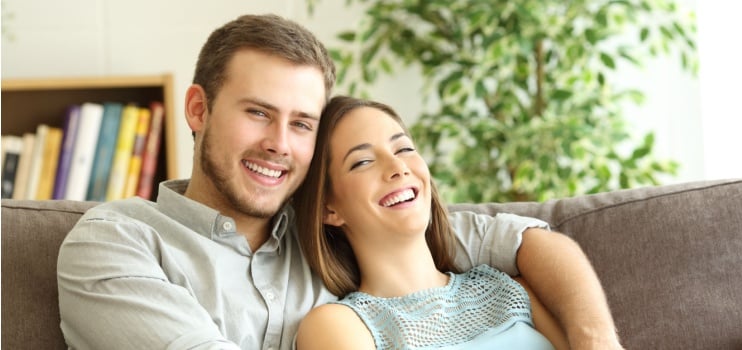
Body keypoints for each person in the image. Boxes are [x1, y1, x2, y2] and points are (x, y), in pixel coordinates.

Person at [56, 13, 622, 350]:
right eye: (258, 112)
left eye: (301, 123)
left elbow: (515, 237)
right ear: (198, 110)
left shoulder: (330, 235)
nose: (280, 142)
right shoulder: (116, 240)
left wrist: (596, 340)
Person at [294, 95, 571, 349]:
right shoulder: (338, 325)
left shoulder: (511, 290)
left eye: (403, 148)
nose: (398, 167)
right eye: (363, 161)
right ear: (326, 209)